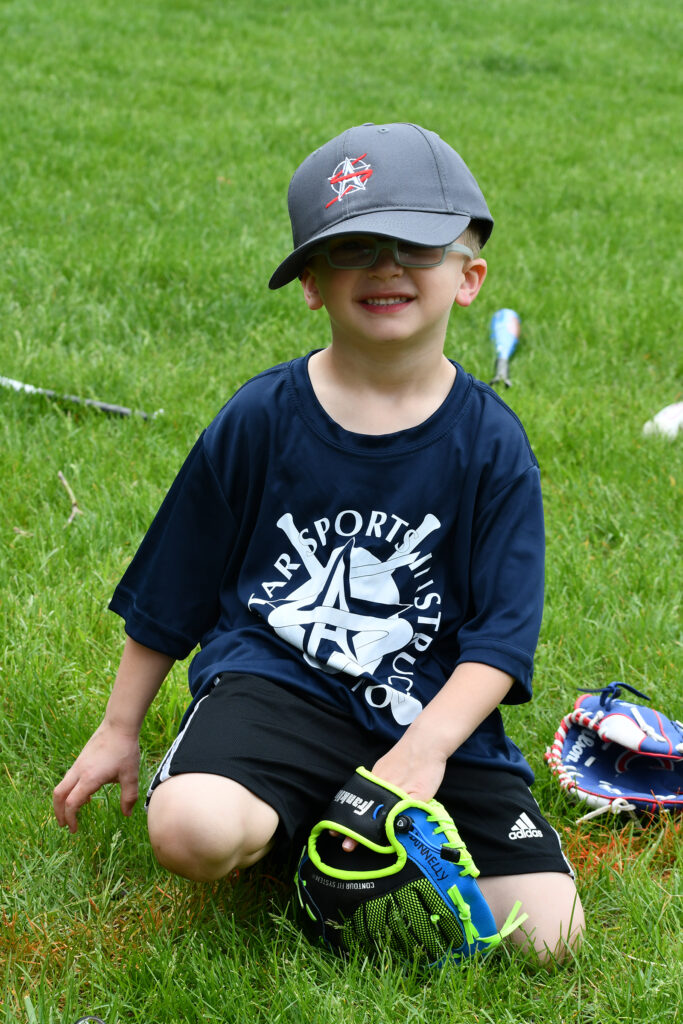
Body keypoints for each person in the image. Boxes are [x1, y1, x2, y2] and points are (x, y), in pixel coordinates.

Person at [53, 122, 585, 961]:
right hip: (278, 691)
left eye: (414, 245)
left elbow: (499, 641)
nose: (385, 267)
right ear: (309, 283)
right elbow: (174, 584)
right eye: (353, 248)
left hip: (427, 710)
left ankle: (338, 848)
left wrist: (422, 754)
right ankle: (291, 821)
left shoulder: (490, 445)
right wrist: (121, 727)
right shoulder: (261, 417)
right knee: (191, 830)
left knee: (549, 936)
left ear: (468, 276)